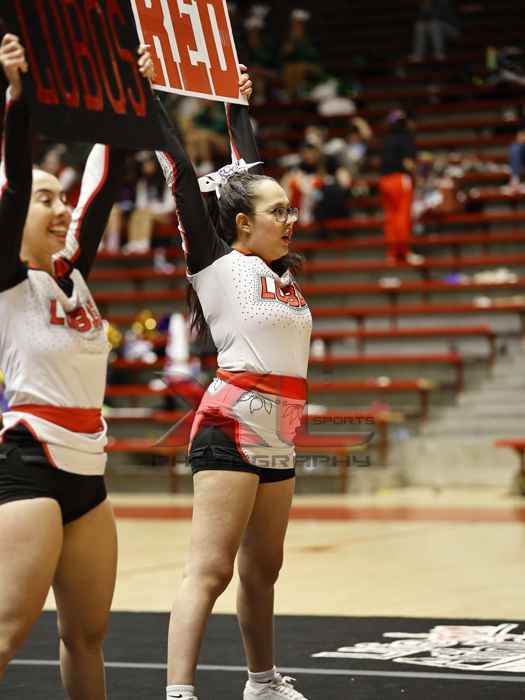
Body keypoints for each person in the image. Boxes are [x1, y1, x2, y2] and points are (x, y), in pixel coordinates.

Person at [0, 34, 154, 698]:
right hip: (29, 465)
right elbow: (13, 180)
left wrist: (134, 95)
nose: (61, 209)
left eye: (61, 198)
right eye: (46, 200)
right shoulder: (8, 278)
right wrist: (19, 97)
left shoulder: (74, 273)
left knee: (87, 636)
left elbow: (106, 179)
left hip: (90, 470)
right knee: (6, 634)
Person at [152, 69, 312, 699]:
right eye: (278, 211)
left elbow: (250, 166)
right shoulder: (218, 267)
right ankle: (179, 692)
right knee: (211, 569)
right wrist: (151, 98)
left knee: (264, 569)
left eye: (290, 207)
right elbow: (180, 175)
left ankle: (262, 683)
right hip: (232, 424)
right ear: (243, 223)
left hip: (281, 430)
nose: (290, 217)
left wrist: (235, 102)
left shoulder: (281, 274)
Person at [378, 109, 422, 264]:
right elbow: (408, 163)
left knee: (390, 218)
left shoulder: (386, 140)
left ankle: (392, 254)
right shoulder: (406, 138)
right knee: (403, 216)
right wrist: (417, 178)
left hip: (384, 181)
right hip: (399, 180)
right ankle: (405, 253)